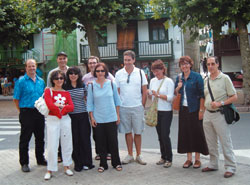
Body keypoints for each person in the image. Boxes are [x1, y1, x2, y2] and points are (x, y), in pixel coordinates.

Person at [202, 56, 237, 178]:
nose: (210, 66)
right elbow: (205, 96)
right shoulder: (206, 79)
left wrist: (220, 103)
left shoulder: (225, 78)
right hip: (208, 114)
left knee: (225, 141)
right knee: (211, 142)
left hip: (220, 113)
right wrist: (203, 110)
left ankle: (230, 167)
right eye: (208, 64)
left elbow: (234, 96)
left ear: (217, 64)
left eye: (212, 64)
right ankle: (213, 164)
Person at [87, 63, 122, 173]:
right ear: (95, 73)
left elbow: (117, 101)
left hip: (111, 117)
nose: (100, 73)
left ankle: (116, 163)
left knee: (113, 142)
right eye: (98, 71)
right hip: (98, 118)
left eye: (102, 71)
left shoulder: (112, 84)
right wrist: (92, 118)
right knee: (100, 143)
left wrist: (118, 115)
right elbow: (90, 104)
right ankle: (103, 164)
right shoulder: (91, 86)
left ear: (105, 72)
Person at [13, 59, 47, 172]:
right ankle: (24, 163)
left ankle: (40, 159)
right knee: (25, 139)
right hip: (26, 112)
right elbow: (16, 99)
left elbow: (43, 97)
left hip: (39, 112)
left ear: (36, 67)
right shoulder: (21, 81)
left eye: (33, 66)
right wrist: (22, 111)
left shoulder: (41, 81)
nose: (32, 68)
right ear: (26, 67)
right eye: (29, 66)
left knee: (40, 138)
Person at [175, 56, 209, 169]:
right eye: (182, 64)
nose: (184, 66)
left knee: (197, 134)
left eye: (186, 64)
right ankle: (189, 159)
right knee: (185, 134)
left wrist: (201, 110)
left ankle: (197, 159)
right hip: (183, 109)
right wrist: (178, 88)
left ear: (190, 64)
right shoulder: (179, 78)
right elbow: (176, 94)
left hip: (195, 109)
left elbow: (201, 95)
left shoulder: (197, 77)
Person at [115, 50, 148, 165]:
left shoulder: (140, 73)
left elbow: (145, 91)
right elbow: (117, 93)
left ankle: (139, 155)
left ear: (134, 60)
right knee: (127, 132)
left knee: (138, 132)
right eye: (125, 60)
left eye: (129, 60)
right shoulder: (118, 74)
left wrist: (142, 106)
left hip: (137, 107)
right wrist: (118, 109)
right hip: (124, 107)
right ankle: (130, 154)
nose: (127, 62)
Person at [82, 56, 114, 160]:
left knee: (108, 131)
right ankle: (99, 152)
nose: (92, 65)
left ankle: (109, 152)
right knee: (96, 132)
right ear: (88, 65)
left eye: (94, 62)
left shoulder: (108, 77)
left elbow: (115, 88)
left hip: (106, 108)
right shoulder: (85, 78)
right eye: (90, 63)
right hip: (93, 108)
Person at [44, 70, 74, 180]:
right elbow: (50, 105)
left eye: (61, 78)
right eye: (57, 78)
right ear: (52, 80)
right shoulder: (48, 91)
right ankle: (50, 168)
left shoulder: (66, 93)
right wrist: (62, 109)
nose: (59, 80)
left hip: (65, 119)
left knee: (67, 142)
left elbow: (71, 107)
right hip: (53, 119)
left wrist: (61, 108)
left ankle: (67, 165)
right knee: (52, 144)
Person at [64, 66, 94, 172]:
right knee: (74, 140)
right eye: (71, 73)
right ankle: (78, 163)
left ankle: (88, 162)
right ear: (68, 75)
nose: (73, 75)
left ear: (78, 75)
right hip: (71, 116)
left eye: (75, 73)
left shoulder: (83, 86)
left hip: (83, 115)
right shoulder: (65, 87)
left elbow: (89, 98)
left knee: (85, 139)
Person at [147, 59, 174, 168]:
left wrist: (158, 95)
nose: (156, 74)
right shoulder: (153, 81)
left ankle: (169, 158)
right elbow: (151, 95)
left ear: (163, 70)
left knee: (165, 135)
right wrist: (150, 94)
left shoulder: (169, 81)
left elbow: (170, 98)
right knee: (159, 136)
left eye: (157, 71)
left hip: (166, 111)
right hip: (156, 110)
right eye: (154, 71)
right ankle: (163, 156)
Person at [47, 51, 69, 163]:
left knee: (67, 132)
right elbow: (49, 89)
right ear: (57, 60)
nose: (62, 60)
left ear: (67, 59)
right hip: (55, 107)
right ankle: (58, 154)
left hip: (68, 105)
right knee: (56, 133)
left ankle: (68, 155)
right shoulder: (52, 72)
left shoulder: (71, 71)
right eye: (60, 58)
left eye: (64, 58)